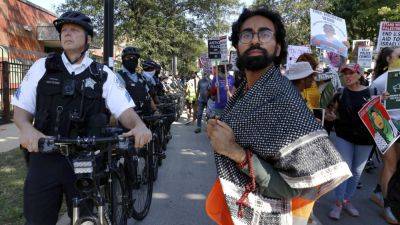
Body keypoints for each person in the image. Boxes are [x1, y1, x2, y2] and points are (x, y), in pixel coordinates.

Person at [205, 7, 351, 225]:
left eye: (264, 34)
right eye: (247, 35)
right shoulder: (245, 92)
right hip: (236, 204)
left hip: (266, 213)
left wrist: (234, 151)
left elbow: (293, 188)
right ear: (237, 46)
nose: (255, 40)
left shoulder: (282, 99)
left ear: (277, 48)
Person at [11, 11, 152, 225]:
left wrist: (139, 125)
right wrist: (26, 129)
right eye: (64, 30)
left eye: (74, 30)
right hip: (45, 157)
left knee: (86, 219)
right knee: (37, 219)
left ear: (88, 39)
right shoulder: (42, 67)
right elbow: (20, 113)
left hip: (85, 160)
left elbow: (125, 111)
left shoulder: (103, 74)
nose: (67, 34)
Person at [326, 63, 375, 220]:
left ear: (360, 75)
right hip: (344, 136)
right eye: (344, 74)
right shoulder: (340, 92)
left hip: (365, 139)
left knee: (357, 172)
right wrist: (330, 116)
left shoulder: (372, 92)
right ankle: (338, 203)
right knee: (344, 169)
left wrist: (384, 101)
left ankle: (347, 201)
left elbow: (380, 115)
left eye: (351, 73)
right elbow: (329, 111)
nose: (347, 76)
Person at [370, 47, 400, 224]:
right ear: (389, 59)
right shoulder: (380, 82)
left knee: (395, 166)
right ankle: (389, 207)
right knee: (391, 165)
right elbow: (368, 106)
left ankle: (378, 192)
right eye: (399, 56)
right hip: (385, 126)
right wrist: (380, 99)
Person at [116, 47, 156, 116]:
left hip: (145, 116)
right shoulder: (119, 76)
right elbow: (116, 99)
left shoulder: (141, 77)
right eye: (128, 57)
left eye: (134, 58)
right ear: (123, 60)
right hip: (130, 117)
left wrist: (155, 110)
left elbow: (148, 95)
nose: (132, 59)